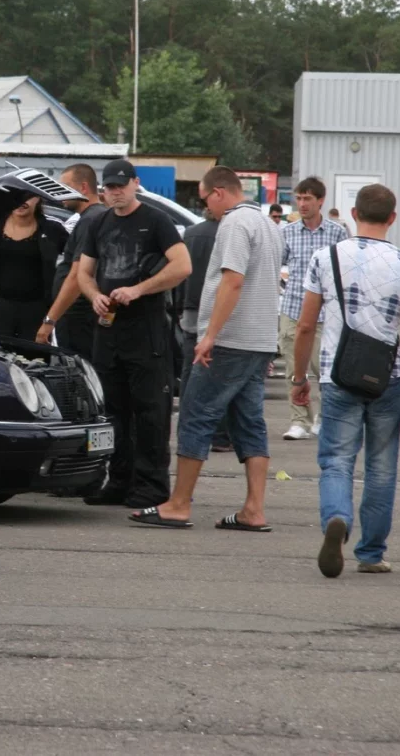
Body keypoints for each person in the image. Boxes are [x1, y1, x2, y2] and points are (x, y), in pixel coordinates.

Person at [129, 165, 282, 530]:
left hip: (231, 339)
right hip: (259, 339)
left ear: (218, 192)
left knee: (196, 414)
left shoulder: (234, 224)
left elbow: (233, 281)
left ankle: (179, 504)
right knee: (249, 423)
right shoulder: (269, 226)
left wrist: (210, 334)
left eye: (204, 200)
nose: (205, 210)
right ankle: (253, 509)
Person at [290, 184, 400, 577]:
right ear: (393, 217)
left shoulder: (325, 257)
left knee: (336, 459)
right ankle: (371, 553)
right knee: (382, 468)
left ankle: (337, 518)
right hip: (389, 377)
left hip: (339, 375)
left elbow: (305, 326)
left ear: (353, 213)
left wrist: (300, 377)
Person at [77, 158, 192, 508]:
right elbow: (83, 273)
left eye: (121, 186)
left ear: (135, 183)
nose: (115, 193)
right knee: (113, 412)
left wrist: (139, 289)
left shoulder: (156, 221)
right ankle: (119, 479)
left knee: (150, 412)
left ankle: (152, 486)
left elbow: (183, 266)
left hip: (146, 331)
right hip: (109, 332)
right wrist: (94, 295)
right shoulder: (99, 223)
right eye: (109, 187)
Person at [277, 177, 348, 441]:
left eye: (308, 198)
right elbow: (276, 263)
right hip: (293, 307)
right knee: (293, 368)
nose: (302, 203)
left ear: (320, 200)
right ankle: (299, 420)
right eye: (299, 198)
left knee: (324, 368)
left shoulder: (337, 232)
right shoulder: (287, 232)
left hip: (324, 312)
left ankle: (323, 416)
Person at [175, 205, 233, 453]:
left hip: (191, 309)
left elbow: (180, 273)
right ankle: (220, 435)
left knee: (191, 371)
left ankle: (186, 430)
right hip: (221, 310)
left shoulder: (190, 234)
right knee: (221, 374)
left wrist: (179, 306)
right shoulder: (229, 234)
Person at [0, 193, 67, 340]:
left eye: (28, 197)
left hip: (36, 308)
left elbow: (76, 257)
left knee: (34, 358)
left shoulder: (52, 229)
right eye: (17, 196)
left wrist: (61, 282)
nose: (22, 202)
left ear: (38, 198)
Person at [38, 164, 105, 355]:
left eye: (65, 187)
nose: (60, 194)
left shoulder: (90, 220)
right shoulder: (92, 217)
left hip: (79, 316)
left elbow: (77, 275)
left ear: (83, 188)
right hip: (78, 316)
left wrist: (50, 320)